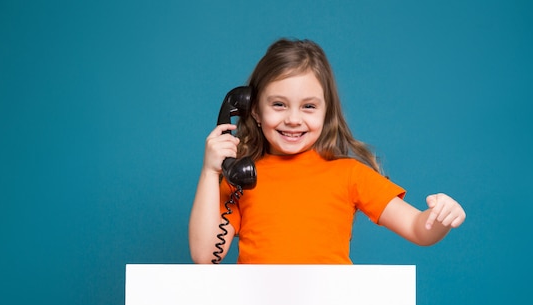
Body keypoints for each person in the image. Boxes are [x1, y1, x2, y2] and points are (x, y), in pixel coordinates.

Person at [189, 38, 465, 264]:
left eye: (308, 106)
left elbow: (418, 229)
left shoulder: (350, 174)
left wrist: (441, 217)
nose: (294, 119)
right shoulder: (241, 179)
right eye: (279, 105)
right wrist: (209, 172)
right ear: (255, 111)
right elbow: (204, 255)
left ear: (326, 113)